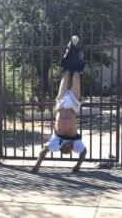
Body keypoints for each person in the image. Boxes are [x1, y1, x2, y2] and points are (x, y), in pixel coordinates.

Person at [31, 36, 87, 174]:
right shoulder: (75, 142)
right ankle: (77, 52)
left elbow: (44, 151)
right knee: (75, 76)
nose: (69, 150)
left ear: (62, 148)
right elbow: (84, 152)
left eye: (66, 150)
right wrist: (78, 166)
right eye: (69, 150)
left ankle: (70, 48)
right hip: (73, 104)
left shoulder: (57, 141)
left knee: (66, 74)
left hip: (61, 103)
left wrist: (37, 166)